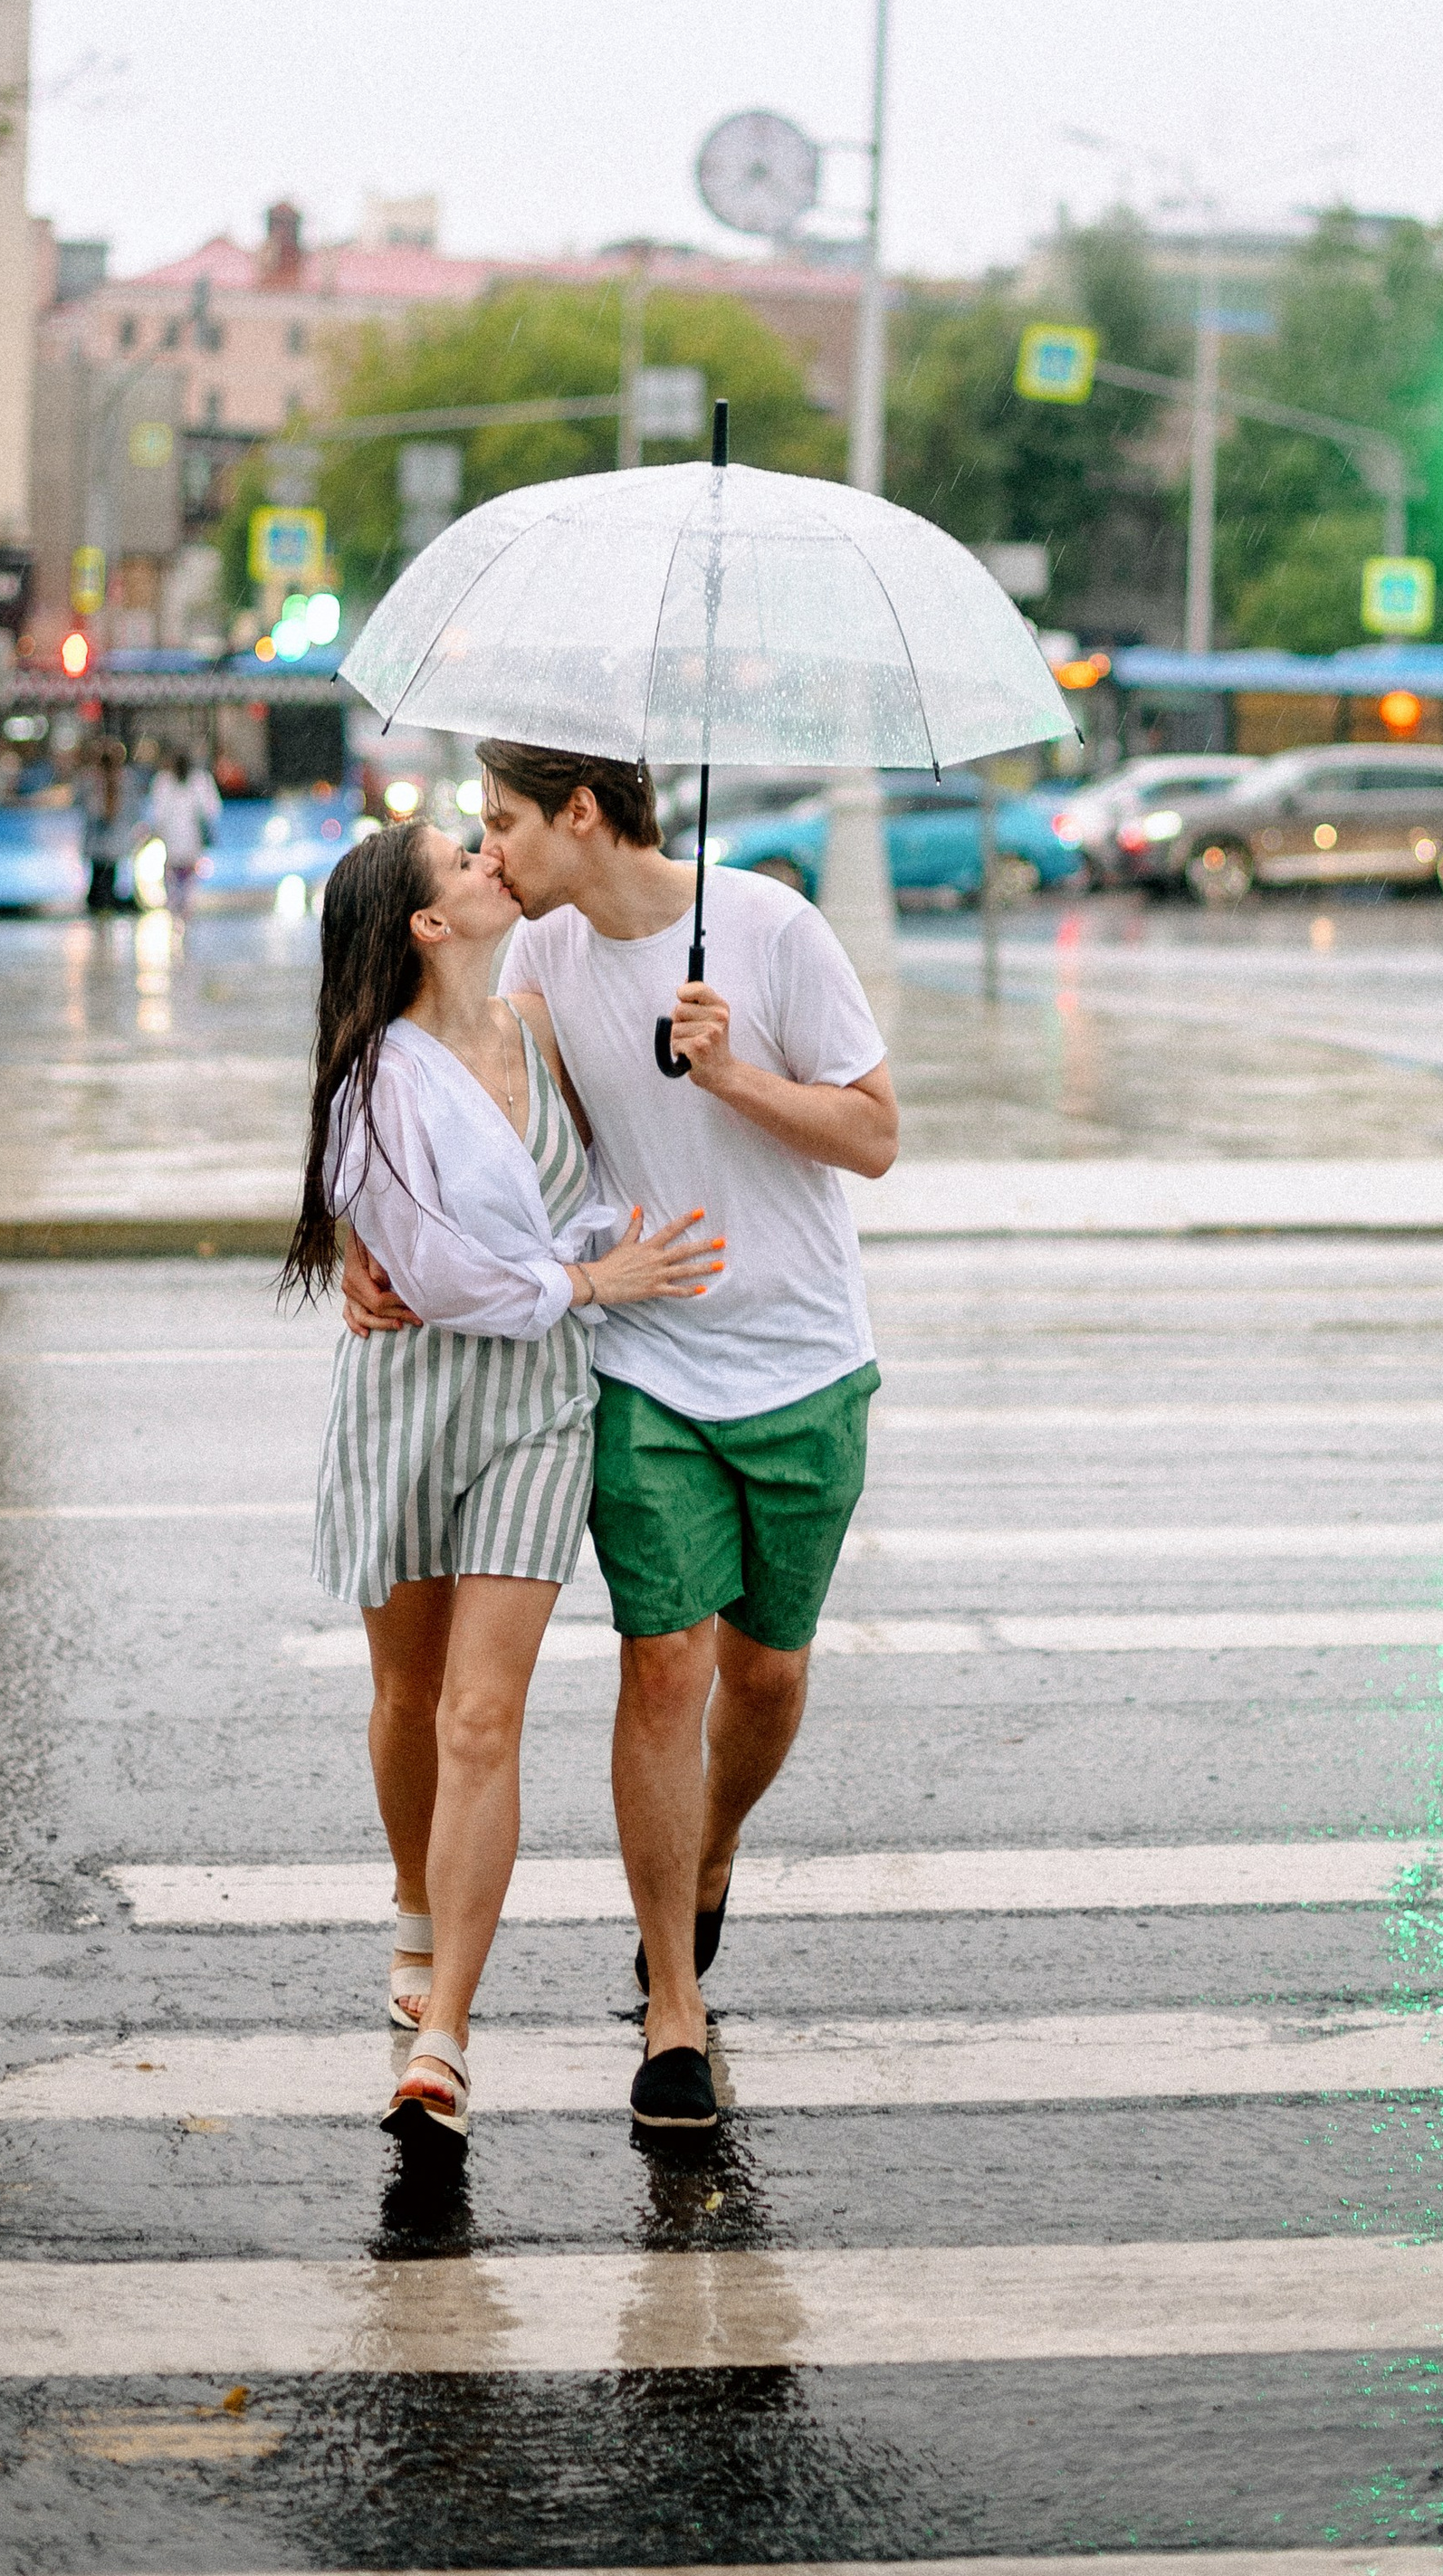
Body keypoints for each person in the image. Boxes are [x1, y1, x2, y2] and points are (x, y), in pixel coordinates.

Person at [344, 740, 897, 2134]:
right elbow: (465, 1116)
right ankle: (672, 2009)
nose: (492, 854)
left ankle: (710, 1855)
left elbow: (877, 1136)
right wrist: (361, 1240)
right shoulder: (543, 969)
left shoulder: (772, 927)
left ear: (579, 816)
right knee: (666, 1662)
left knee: (763, 1676)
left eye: (505, 825)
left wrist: (734, 1081)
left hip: (806, 1360)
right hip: (641, 1362)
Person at [283, 816, 722, 2150]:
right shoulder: (373, 1083)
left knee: (482, 1720)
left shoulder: (538, 1036)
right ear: (428, 925)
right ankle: (414, 1901)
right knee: (409, 1696)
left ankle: (444, 2038)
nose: (490, 866)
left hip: (540, 1412)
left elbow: (576, 1197)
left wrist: (619, 1234)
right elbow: (450, 1278)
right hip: (411, 1405)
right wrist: (590, 1280)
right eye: (461, 864)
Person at [146, 746, 221, 921]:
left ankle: (182, 905)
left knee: (185, 870)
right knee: (176, 870)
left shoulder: (199, 782)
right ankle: (178, 905)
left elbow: (210, 809)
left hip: (189, 837)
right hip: (174, 838)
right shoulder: (164, 782)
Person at [80, 739, 132, 914]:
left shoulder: (123, 782)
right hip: (98, 845)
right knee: (98, 884)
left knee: (108, 881)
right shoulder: (91, 783)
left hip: (110, 845)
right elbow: (95, 811)